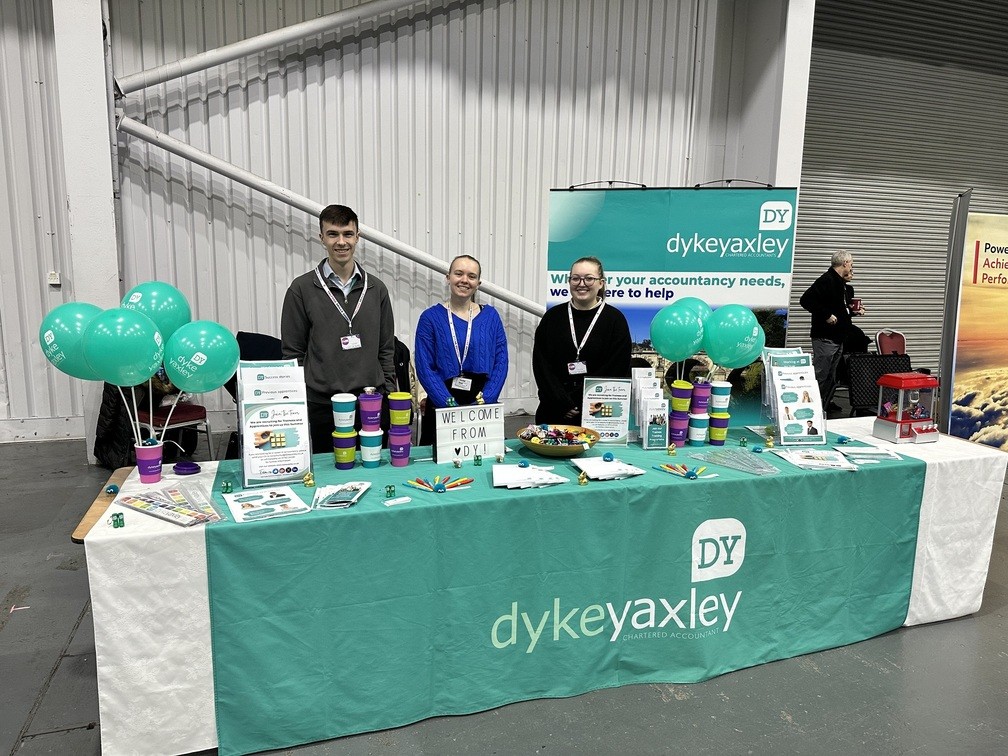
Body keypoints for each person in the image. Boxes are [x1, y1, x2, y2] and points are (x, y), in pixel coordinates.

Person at [281, 204, 396, 452]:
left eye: (347, 234)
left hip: (371, 401)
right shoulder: (301, 289)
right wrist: (300, 399)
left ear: (357, 237)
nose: (341, 242)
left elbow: (386, 348)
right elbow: (293, 353)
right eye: (333, 234)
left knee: (373, 466)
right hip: (322, 404)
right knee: (329, 470)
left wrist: (387, 393)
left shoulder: (377, 289)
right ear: (321, 237)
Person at [414, 254, 509, 446]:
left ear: (478, 283)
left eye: (471, 276)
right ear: (448, 277)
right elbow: (425, 367)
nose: (464, 280)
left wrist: (486, 401)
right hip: (441, 403)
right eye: (459, 274)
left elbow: (501, 361)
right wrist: (448, 405)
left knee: (481, 458)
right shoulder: (430, 318)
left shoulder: (491, 317)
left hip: (482, 403)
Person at [532, 256, 632, 424]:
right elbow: (541, 366)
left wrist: (579, 401)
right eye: (575, 278)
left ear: (601, 283)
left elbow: (616, 368)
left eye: (589, 278)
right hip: (554, 410)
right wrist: (561, 401)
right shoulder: (552, 317)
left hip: (596, 413)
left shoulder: (615, 320)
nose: (581, 283)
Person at [800, 250, 853, 415]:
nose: (852, 266)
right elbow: (805, 300)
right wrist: (826, 315)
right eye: (851, 263)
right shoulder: (827, 280)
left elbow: (838, 307)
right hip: (825, 338)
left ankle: (823, 404)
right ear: (844, 263)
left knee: (831, 375)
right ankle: (808, 407)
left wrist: (852, 311)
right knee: (821, 374)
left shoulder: (840, 283)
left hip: (837, 338)